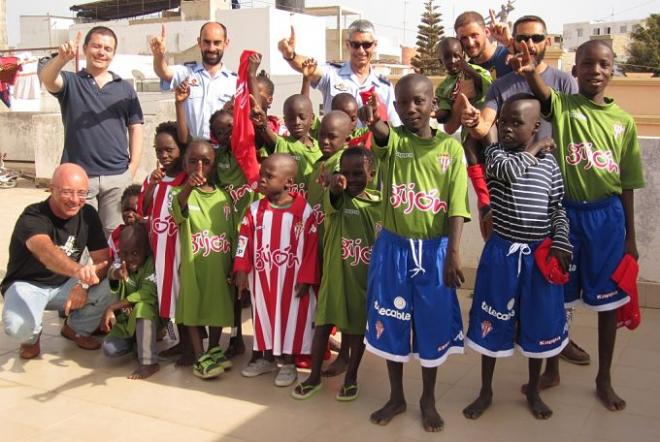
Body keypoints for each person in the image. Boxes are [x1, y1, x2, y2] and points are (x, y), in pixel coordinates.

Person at [515, 39, 645, 411]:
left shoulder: (623, 123)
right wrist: (530, 72)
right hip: (565, 217)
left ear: (613, 70)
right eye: (587, 64)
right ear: (575, 70)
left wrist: (630, 237)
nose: (596, 71)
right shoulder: (565, 106)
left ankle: (603, 377)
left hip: (606, 221)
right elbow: (543, 94)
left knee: (607, 302)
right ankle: (551, 368)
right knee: (558, 295)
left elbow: (628, 183)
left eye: (604, 64)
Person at [462, 14, 590, 374]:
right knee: (510, 292)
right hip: (510, 195)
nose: (529, 45)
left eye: (535, 38)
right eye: (522, 39)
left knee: (554, 279)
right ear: (513, 42)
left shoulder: (564, 81)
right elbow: (487, 124)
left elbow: (578, 124)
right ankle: (521, 339)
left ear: (547, 40)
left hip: (552, 187)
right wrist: (476, 120)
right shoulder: (500, 85)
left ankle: (554, 347)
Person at [362, 74, 469, 432]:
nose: (411, 109)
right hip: (393, 248)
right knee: (392, 321)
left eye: (419, 101)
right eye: (403, 103)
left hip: (435, 251)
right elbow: (380, 135)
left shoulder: (450, 149)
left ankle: (427, 398)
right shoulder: (394, 142)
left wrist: (454, 253)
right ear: (395, 107)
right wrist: (374, 122)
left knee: (430, 325)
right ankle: (396, 396)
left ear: (433, 104)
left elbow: (456, 205)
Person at [463, 94, 571, 420]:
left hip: (537, 255)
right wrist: (536, 148)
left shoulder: (551, 166)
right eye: (504, 121)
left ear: (536, 126)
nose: (507, 128)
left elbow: (558, 209)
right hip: (502, 254)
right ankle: (485, 391)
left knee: (538, 322)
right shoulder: (495, 154)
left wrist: (562, 243)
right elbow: (508, 172)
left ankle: (534, 389)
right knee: (492, 320)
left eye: (517, 122)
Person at [292, 147, 382, 401]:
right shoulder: (337, 200)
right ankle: (313, 377)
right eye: (345, 173)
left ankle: (351, 376)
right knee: (322, 327)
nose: (351, 179)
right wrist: (333, 186)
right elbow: (331, 196)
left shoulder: (380, 205)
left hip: (362, 280)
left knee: (356, 332)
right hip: (334, 277)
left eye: (358, 173)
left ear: (372, 173)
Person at [39, 27, 144, 236]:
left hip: (117, 177)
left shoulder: (124, 88)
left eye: (107, 48)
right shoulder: (71, 82)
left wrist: (131, 169)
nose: (101, 52)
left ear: (113, 54)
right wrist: (61, 59)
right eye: (96, 46)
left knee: (114, 236)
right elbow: (48, 79)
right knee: (77, 236)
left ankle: (107, 271)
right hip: (78, 179)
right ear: (85, 48)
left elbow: (136, 127)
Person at [2, 163, 111, 358]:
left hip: (65, 284)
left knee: (114, 284)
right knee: (19, 327)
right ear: (51, 189)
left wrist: (83, 286)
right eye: (67, 192)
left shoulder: (88, 214)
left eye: (82, 193)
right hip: (28, 285)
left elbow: (102, 259)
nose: (75, 200)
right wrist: (78, 271)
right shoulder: (33, 215)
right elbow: (45, 252)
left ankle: (75, 328)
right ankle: (32, 336)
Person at [234, 154, 319, 387]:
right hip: (263, 280)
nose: (261, 179)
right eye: (261, 173)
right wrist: (241, 268)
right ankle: (267, 358)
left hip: (292, 282)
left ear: (288, 183)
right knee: (264, 319)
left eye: (268, 176)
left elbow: (312, 248)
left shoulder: (304, 211)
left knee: (292, 321)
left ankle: (289, 363)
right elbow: (244, 241)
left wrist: (306, 277)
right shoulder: (254, 210)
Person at [169, 140, 236, 378]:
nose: (199, 167)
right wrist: (188, 187)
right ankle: (199, 357)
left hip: (220, 266)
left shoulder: (223, 198)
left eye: (205, 162)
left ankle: (214, 348)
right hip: (194, 266)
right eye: (193, 162)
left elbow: (232, 233)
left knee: (218, 307)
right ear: (185, 164)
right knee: (194, 310)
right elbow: (177, 210)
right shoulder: (180, 194)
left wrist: (235, 265)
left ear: (213, 165)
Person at [278, 20, 401, 126]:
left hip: (372, 151)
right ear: (348, 45)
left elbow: (393, 124)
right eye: (355, 45)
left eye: (366, 45)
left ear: (374, 45)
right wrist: (291, 56)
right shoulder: (332, 73)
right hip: (337, 149)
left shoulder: (384, 86)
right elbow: (308, 67)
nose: (361, 50)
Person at [139, 121, 188, 362]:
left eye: (170, 149)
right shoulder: (153, 178)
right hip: (157, 248)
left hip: (178, 250)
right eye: (159, 150)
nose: (164, 155)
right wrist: (153, 185)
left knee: (180, 295)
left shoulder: (185, 180)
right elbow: (143, 207)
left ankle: (187, 343)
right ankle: (174, 338)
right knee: (165, 295)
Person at [151, 22, 237, 140]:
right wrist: (158, 55)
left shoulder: (235, 82)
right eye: (206, 42)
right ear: (199, 42)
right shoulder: (186, 73)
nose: (211, 48)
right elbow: (163, 72)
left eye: (217, 43)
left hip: (222, 153)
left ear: (226, 43)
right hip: (192, 152)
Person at [101, 223, 160, 380]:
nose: (129, 258)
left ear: (146, 251)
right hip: (127, 323)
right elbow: (111, 272)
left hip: (154, 320)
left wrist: (112, 307)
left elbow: (147, 294)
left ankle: (149, 362)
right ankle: (139, 343)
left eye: (135, 253)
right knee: (109, 349)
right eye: (124, 254)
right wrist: (116, 274)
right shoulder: (123, 264)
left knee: (143, 307)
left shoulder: (152, 265)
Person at [251, 94, 321, 196]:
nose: (297, 122)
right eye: (291, 118)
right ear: (285, 120)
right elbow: (267, 132)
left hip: (312, 210)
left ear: (312, 118)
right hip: (287, 209)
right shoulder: (282, 144)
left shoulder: (321, 148)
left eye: (302, 117)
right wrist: (262, 124)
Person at [454, 10, 513, 81]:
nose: (470, 43)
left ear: (487, 32)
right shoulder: (466, 72)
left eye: (474, 35)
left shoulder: (510, 57)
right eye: (464, 38)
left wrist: (512, 45)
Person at [108, 184, 144, 264]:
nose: (130, 215)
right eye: (126, 210)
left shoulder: (150, 234)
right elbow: (111, 263)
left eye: (135, 211)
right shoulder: (116, 236)